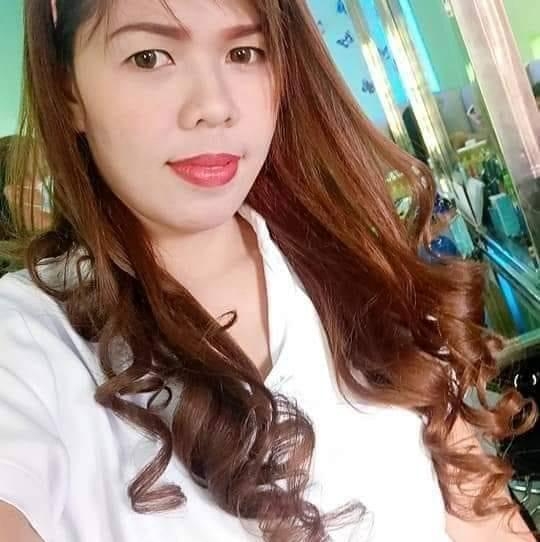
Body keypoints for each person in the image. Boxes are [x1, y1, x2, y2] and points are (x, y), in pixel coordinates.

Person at [0, 1, 536, 541]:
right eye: (149, 57)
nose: (214, 106)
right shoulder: (25, 341)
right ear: (68, 90)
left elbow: (486, 520)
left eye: (244, 52)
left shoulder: (352, 268)